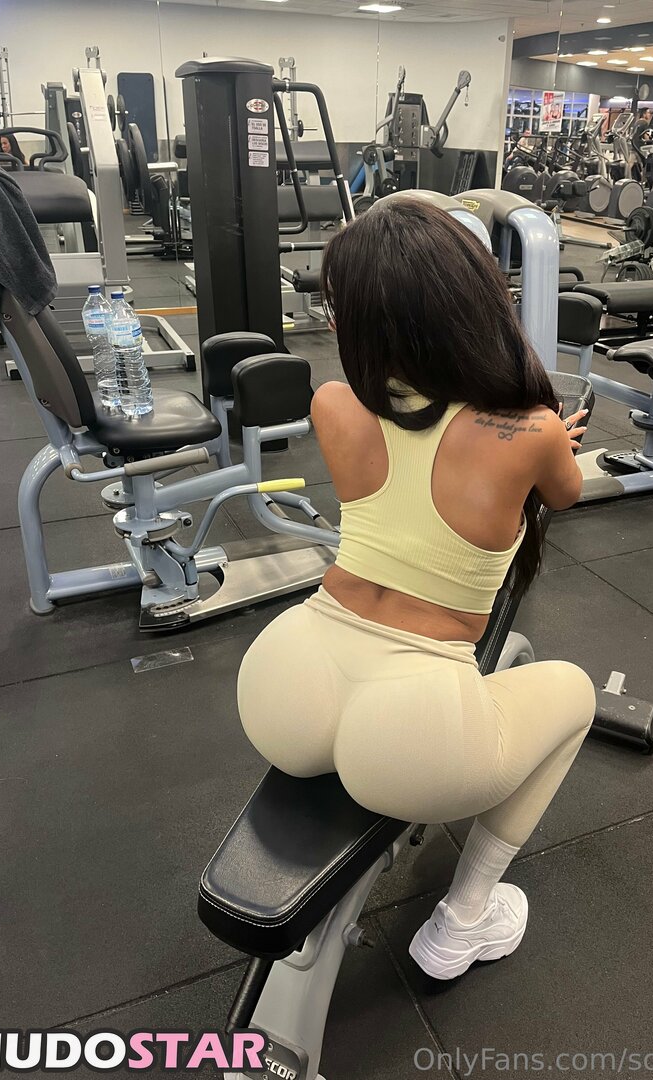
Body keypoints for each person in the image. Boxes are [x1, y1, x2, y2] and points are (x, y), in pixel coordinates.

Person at [237, 199, 596, 982]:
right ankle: (464, 919)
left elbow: (407, 433)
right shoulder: (530, 429)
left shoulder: (332, 404)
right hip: (412, 729)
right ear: (474, 300)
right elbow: (564, 494)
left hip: (281, 682)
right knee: (574, 693)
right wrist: (547, 442)